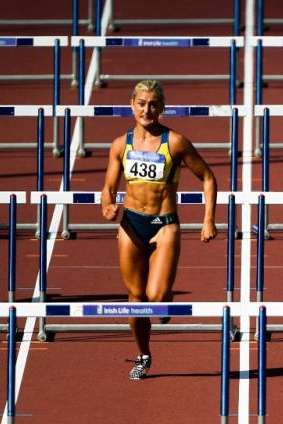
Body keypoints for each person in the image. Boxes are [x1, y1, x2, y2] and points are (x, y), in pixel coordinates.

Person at [101, 80, 218, 380]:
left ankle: (164, 298)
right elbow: (108, 188)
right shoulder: (120, 145)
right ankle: (143, 355)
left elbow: (208, 177)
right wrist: (107, 206)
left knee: (156, 295)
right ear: (131, 105)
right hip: (131, 225)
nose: (147, 110)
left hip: (164, 225)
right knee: (135, 299)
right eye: (141, 103)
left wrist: (208, 219)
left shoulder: (175, 142)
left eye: (153, 104)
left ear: (162, 108)